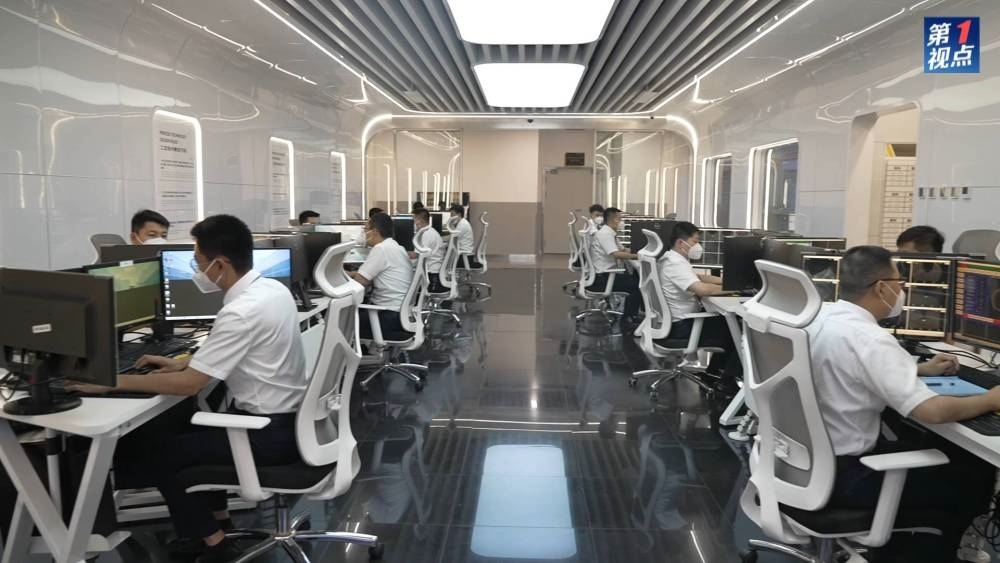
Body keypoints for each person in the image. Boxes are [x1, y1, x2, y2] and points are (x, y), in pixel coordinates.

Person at [69, 214, 307, 563]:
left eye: (198, 262)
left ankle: (215, 544)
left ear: (220, 264)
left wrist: (112, 381)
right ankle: (219, 522)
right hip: (289, 423)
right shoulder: (272, 290)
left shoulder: (241, 311)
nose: (196, 270)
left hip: (266, 435)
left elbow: (190, 385)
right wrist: (185, 361)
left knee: (160, 456)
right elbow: (240, 350)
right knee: (183, 432)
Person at [807, 245, 998, 562]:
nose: (902, 290)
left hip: (806, 465)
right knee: (973, 477)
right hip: (847, 478)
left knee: (939, 450)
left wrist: (917, 369)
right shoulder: (870, 339)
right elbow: (932, 411)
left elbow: (847, 368)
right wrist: (990, 399)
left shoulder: (819, 319)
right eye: (900, 282)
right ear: (881, 288)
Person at [657, 221, 742, 389]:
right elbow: (702, 289)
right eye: (695, 241)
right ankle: (727, 383)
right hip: (681, 327)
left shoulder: (671, 258)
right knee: (739, 330)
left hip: (673, 322)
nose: (698, 246)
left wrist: (728, 281)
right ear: (681, 243)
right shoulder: (676, 264)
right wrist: (735, 288)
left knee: (727, 323)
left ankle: (713, 374)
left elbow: (698, 278)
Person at [349, 213, 414, 339]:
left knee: (340, 320)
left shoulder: (381, 249)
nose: (364, 233)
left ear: (374, 232)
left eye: (366, 229)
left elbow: (359, 282)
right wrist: (351, 273)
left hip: (388, 316)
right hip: (402, 314)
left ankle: (357, 350)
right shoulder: (396, 247)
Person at [588, 207, 641, 323]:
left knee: (637, 278)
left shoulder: (609, 233)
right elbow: (616, 254)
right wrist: (637, 257)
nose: (622, 222)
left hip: (603, 276)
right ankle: (628, 318)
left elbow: (623, 249)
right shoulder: (605, 234)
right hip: (602, 279)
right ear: (615, 220)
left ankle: (634, 313)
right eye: (620, 219)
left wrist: (640, 252)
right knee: (638, 284)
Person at [410, 208, 446, 292]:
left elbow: (416, 255)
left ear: (420, 221)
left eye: (414, 220)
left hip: (432, 276)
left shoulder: (426, 234)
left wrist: (400, 252)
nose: (414, 223)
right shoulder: (430, 231)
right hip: (435, 273)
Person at [448, 204, 482, 269]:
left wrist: (440, 239)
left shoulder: (462, 224)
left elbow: (451, 238)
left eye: (452, 214)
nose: (451, 217)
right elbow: (453, 237)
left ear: (459, 214)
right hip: (464, 256)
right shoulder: (461, 223)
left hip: (464, 258)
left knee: (444, 258)